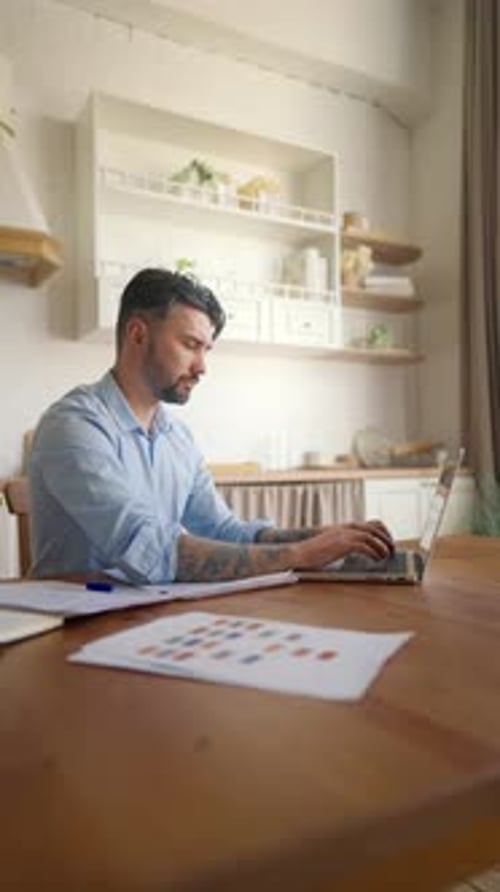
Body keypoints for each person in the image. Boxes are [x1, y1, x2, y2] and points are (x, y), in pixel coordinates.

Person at [29, 268, 394, 583]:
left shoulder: (177, 438)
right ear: (138, 334)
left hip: (143, 616)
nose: (202, 367)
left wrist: (325, 536)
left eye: (207, 349)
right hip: (70, 629)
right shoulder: (74, 426)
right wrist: (299, 555)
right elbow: (152, 550)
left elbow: (224, 532)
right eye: (191, 345)